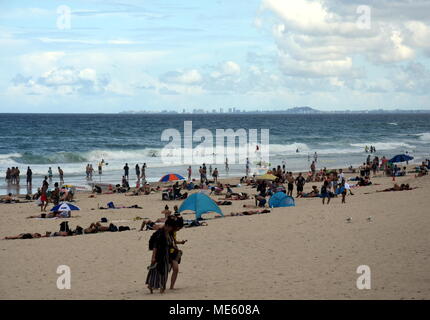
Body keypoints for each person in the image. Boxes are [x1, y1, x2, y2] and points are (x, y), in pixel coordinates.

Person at [146, 217, 176, 294]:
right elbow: (155, 246)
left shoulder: (168, 233)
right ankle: (153, 286)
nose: (171, 229)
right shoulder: (160, 233)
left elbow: (170, 244)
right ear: (167, 226)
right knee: (157, 271)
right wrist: (153, 257)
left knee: (163, 272)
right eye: (170, 227)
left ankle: (160, 287)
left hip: (166, 255)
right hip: (159, 255)